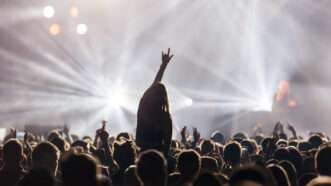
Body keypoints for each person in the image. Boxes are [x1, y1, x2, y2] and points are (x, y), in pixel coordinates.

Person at [136, 48, 174, 155]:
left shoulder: (143, 110)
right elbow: (167, 146)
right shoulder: (165, 117)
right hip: (159, 159)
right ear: (164, 98)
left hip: (143, 157)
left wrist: (163, 66)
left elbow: (138, 142)